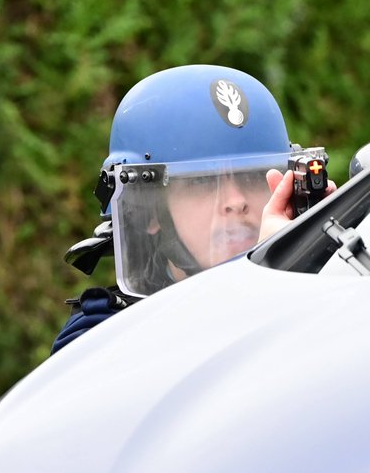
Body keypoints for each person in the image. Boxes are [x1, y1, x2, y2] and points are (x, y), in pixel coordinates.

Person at [54, 64, 333, 353]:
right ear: (150, 213)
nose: (236, 200)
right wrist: (263, 288)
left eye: (252, 177)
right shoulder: (97, 340)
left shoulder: (322, 294)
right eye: (201, 181)